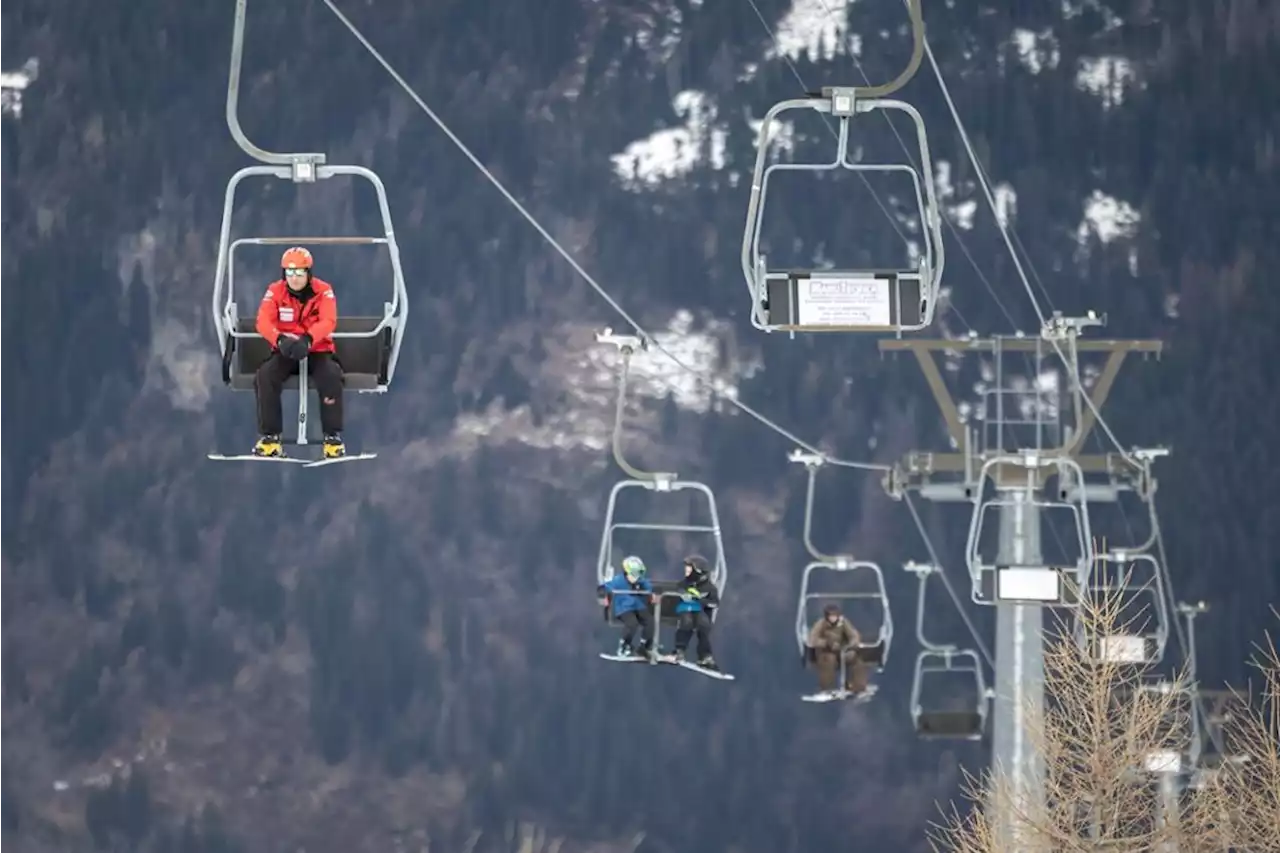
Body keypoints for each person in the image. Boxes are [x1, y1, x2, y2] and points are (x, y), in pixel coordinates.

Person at [252, 247, 345, 459]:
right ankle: (271, 437)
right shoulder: (276, 291)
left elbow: (328, 320)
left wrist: (309, 338)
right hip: (286, 349)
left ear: (308, 273)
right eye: (290, 273)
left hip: (317, 348)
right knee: (266, 376)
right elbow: (263, 321)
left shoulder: (323, 291)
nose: (294, 279)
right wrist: (279, 339)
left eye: (300, 273)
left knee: (330, 375)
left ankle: (332, 437)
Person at [597, 556, 656, 658]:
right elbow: (607, 587)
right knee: (632, 623)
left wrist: (650, 594)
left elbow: (648, 588)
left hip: (638, 606)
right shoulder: (619, 581)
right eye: (633, 574)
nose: (636, 577)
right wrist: (603, 592)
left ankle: (645, 645)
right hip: (624, 608)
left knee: (650, 621)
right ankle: (624, 644)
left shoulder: (641, 582)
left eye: (638, 574)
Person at [806, 603, 870, 696]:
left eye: (835, 616)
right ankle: (827, 688)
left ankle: (858, 687)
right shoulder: (821, 624)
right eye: (831, 616)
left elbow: (854, 635)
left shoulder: (843, 623)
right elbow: (812, 639)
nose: (833, 618)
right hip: (826, 652)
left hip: (842, 650)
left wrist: (851, 644)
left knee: (857, 661)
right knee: (828, 662)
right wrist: (826, 643)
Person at [671, 554, 720, 671]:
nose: (686, 570)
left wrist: (702, 601)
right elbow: (678, 593)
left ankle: (705, 655)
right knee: (686, 622)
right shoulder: (684, 584)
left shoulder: (709, 588)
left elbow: (714, 602)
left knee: (703, 625)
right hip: (686, 609)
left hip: (699, 612)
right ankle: (679, 649)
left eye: (689, 568)